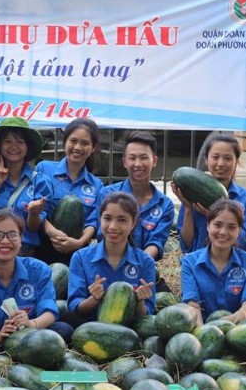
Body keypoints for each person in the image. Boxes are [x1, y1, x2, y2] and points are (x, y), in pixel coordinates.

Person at [0, 210, 72, 353]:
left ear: (20, 240)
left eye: (13, 235)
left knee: (63, 331)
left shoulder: (38, 270)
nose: (5, 241)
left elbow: (49, 313)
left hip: (33, 339)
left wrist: (30, 323)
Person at [66, 192, 155, 326]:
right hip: (91, 330)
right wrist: (94, 299)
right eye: (107, 218)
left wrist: (139, 301)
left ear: (133, 223)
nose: (113, 226)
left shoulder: (145, 262)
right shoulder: (80, 258)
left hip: (129, 333)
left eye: (122, 220)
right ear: (100, 218)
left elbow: (146, 316)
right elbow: (75, 308)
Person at [88, 131, 174, 261]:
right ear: (124, 162)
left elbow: (156, 243)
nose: (138, 164)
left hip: (143, 267)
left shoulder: (164, 205)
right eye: (132, 158)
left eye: (143, 158)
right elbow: (103, 235)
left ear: (154, 160)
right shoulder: (107, 195)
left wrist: (138, 264)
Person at [0, 117, 53, 257]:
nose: (13, 146)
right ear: (0, 146)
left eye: (20, 142)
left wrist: (34, 212)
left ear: (27, 147)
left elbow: (34, 227)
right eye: (8, 141)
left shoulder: (39, 182)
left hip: (24, 253)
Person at [181, 199, 246, 325]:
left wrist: (227, 323)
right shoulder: (189, 262)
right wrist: (202, 333)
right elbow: (192, 304)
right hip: (201, 327)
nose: (223, 232)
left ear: (239, 230)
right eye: (217, 225)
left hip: (237, 329)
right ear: (208, 226)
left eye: (231, 227)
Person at [174, 132, 246, 253]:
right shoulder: (192, 194)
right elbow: (186, 245)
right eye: (215, 157)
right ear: (206, 160)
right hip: (197, 265)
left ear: (236, 162)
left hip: (233, 267)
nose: (221, 163)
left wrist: (215, 216)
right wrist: (187, 208)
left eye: (228, 158)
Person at [34, 118, 103, 264]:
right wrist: (53, 233)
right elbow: (37, 208)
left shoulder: (97, 185)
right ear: (65, 142)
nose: (78, 147)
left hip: (77, 254)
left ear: (93, 147)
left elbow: (93, 221)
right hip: (42, 248)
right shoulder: (44, 169)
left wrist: (79, 242)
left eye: (85, 143)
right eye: (73, 141)